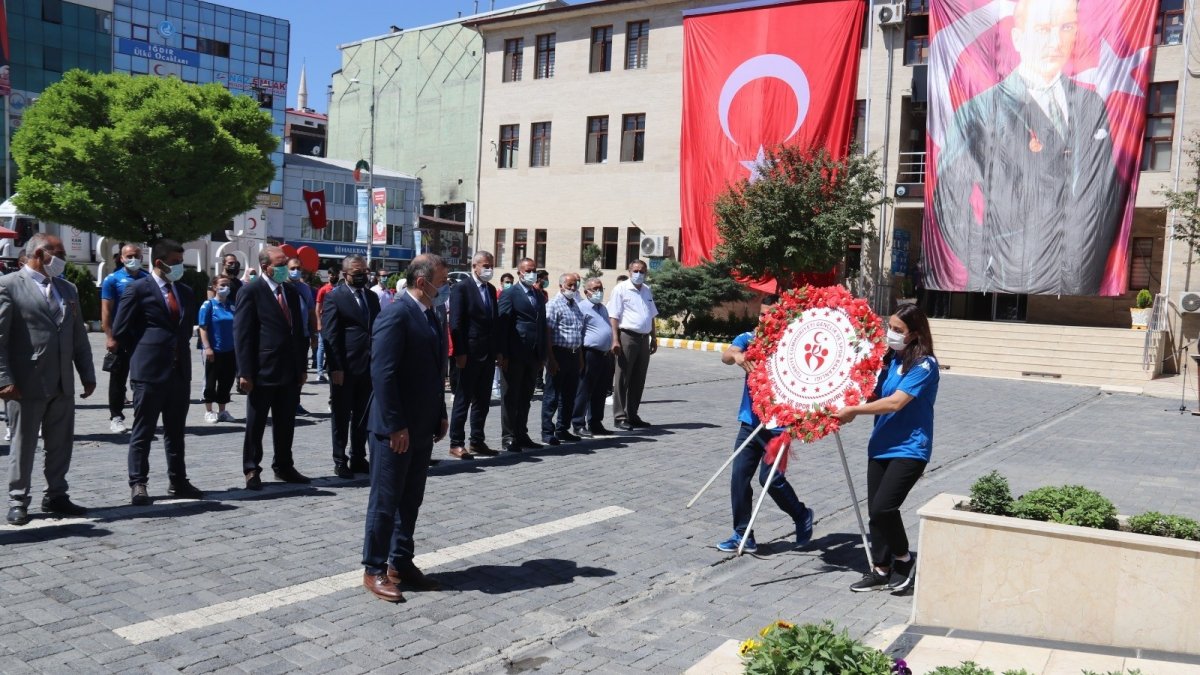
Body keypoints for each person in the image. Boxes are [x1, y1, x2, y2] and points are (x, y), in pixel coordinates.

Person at [930, 0, 1122, 296]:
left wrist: (1088, 257)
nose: (1055, 42)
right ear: (1019, 39)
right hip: (1008, 278)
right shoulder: (980, 110)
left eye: (1066, 27)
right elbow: (950, 198)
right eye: (1043, 29)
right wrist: (991, 262)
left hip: (1079, 281)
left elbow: (1106, 191)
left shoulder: (1091, 105)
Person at [361, 254, 449, 603]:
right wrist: (396, 423)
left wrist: (440, 412)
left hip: (422, 423)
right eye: (442, 280)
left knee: (411, 499)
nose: (445, 287)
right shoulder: (396, 313)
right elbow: (382, 373)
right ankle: (374, 568)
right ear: (422, 282)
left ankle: (401, 562)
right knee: (386, 500)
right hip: (393, 428)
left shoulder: (432, 313)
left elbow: (434, 371)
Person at [835, 303, 939, 593]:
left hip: (910, 449)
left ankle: (904, 559)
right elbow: (876, 394)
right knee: (875, 512)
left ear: (915, 334)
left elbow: (895, 402)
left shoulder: (925, 365)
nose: (890, 334)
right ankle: (880, 568)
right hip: (880, 446)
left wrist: (855, 410)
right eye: (889, 327)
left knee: (884, 508)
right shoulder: (890, 360)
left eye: (897, 330)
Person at [0, 233, 96, 525]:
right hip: (26, 383)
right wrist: (3, 378)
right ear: (41, 254)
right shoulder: (9, 285)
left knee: (60, 444)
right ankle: (18, 499)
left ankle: (56, 494)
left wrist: (87, 373)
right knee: (23, 444)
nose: (64, 259)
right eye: (60, 253)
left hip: (62, 382)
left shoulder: (67, 289)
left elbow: (78, 334)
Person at [715, 294, 814, 553]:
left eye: (772, 314)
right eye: (762, 314)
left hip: (778, 428)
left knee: (771, 480)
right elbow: (728, 355)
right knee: (738, 478)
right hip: (750, 423)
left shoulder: (792, 347)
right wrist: (737, 357)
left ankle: (801, 515)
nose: (765, 319)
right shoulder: (748, 339)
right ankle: (742, 534)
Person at [112, 239, 204, 504]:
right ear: (159, 263)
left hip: (179, 371)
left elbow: (185, 328)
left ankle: (178, 480)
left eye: (180, 263)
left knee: (176, 432)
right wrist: (145, 349)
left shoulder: (184, 291)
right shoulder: (138, 289)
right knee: (143, 430)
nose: (178, 268)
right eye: (174, 263)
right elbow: (120, 329)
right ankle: (138, 483)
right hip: (149, 372)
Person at [234, 246, 311, 489]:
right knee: (256, 423)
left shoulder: (290, 290)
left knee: (286, 422)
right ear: (266, 267)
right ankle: (251, 468)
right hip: (262, 369)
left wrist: (301, 366)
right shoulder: (251, 291)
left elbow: (298, 331)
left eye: (285, 263)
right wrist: (244, 372)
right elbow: (243, 334)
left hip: (289, 369)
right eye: (280, 264)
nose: (284, 267)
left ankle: (284, 466)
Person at [321, 255, 380, 478]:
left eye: (364, 271)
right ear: (345, 274)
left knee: (363, 415)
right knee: (341, 415)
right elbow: (331, 334)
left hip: (368, 365)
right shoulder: (334, 297)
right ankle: (339, 459)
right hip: (344, 367)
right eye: (357, 273)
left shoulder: (372, 297)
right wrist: (335, 367)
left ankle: (358, 456)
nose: (362, 276)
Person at [448, 251, 500, 460]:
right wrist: (460, 352)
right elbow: (456, 324)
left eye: (491, 266)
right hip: (468, 354)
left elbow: (494, 323)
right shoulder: (462, 289)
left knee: (483, 400)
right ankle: (456, 442)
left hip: (486, 354)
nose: (489, 270)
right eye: (485, 266)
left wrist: (496, 352)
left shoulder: (490, 289)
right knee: (463, 399)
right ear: (475, 267)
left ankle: (477, 440)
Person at [496, 258, 547, 453]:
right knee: (511, 396)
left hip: (533, 354)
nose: (532, 273)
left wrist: (542, 354)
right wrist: (503, 353)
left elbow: (541, 325)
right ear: (519, 273)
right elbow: (503, 326)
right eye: (528, 270)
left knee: (526, 395)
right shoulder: (510, 294)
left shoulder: (538, 295)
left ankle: (521, 433)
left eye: (534, 270)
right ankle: (508, 436)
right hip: (515, 353)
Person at [100, 244, 148, 434]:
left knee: (142, 379)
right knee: (118, 378)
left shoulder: (147, 278)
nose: (133, 259)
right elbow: (106, 311)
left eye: (136, 255)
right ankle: (116, 416)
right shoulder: (112, 280)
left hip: (143, 337)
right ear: (121, 258)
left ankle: (141, 416)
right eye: (129, 256)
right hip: (121, 337)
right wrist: (110, 336)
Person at [607, 259, 658, 431]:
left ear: (646, 273)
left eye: (642, 271)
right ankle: (620, 416)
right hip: (627, 336)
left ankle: (633, 414)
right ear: (629, 271)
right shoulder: (620, 289)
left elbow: (651, 315)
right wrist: (615, 339)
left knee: (639, 378)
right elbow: (613, 315)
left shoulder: (647, 290)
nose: (639, 274)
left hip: (644, 338)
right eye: (635, 270)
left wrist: (654, 337)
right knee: (622, 377)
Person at [541, 273, 584, 445]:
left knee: (569, 395)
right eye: (569, 285)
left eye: (575, 285)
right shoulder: (553, 305)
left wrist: (580, 357)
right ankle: (547, 431)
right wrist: (550, 359)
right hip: (558, 354)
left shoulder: (575, 305)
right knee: (552, 395)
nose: (573, 288)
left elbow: (577, 333)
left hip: (573, 354)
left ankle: (563, 429)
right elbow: (548, 333)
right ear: (561, 286)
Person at [572, 277, 615, 437]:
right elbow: (578, 332)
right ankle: (578, 423)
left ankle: (596, 422)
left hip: (605, 354)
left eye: (601, 288)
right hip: (589, 353)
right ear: (586, 292)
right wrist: (580, 357)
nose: (599, 291)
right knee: (584, 389)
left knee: (600, 390)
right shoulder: (582, 308)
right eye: (595, 289)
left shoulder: (602, 308)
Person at [198, 275, 237, 423]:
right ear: (214, 287)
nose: (225, 288)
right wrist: (207, 347)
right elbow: (203, 328)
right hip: (214, 350)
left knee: (226, 381)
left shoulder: (232, 305)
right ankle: (209, 410)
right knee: (210, 381)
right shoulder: (208, 305)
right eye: (222, 285)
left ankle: (222, 411)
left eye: (227, 285)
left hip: (230, 350)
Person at [314, 270, 337, 383]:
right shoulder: (323, 290)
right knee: (322, 347)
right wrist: (318, 322)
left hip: (335, 323)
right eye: (332, 274)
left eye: (336, 274)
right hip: (324, 322)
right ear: (328, 275)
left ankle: (330, 370)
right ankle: (319, 372)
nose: (334, 276)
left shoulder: (338, 289)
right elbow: (317, 308)